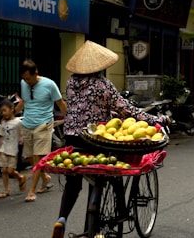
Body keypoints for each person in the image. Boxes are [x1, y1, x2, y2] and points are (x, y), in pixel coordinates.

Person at [51, 40, 170, 238]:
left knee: (74, 181)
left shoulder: (71, 82)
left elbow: (87, 107)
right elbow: (127, 109)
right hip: (95, 138)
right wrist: (155, 119)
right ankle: (97, 226)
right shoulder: (102, 84)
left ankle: (61, 219)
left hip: (71, 137)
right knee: (105, 171)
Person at [15, 59, 67, 202]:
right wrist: (12, 113)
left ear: (35, 73)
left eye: (28, 78)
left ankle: (31, 191)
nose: (26, 81)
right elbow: (24, 101)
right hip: (27, 123)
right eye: (24, 78)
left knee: (38, 157)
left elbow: (60, 103)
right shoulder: (24, 83)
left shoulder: (49, 84)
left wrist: (70, 120)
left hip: (43, 124)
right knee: (30, 157)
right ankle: (45, 178)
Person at [0, 99, 26, 199]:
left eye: (5, 110)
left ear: (12, 109)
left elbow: (22, 134)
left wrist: (22, 140)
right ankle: (6, 190)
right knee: (4, 170)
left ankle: (20, 177)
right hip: (4, 148)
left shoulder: (18, 122)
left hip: (13, 149)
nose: (3, 113)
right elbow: (1, 136)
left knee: (10, 170)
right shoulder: (3, 122)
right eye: (1, 111)